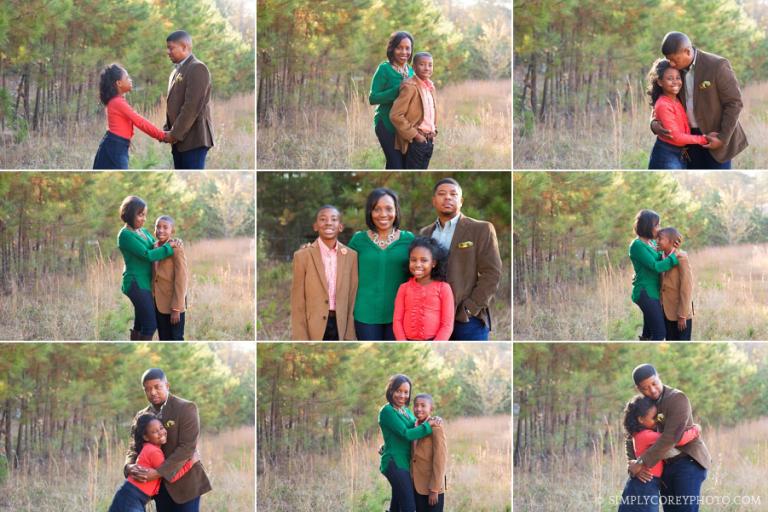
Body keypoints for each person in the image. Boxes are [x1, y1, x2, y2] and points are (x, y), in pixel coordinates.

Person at [650, 31, 748, 169]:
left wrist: (722, 138)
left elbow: (735, 103)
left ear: (687, 51)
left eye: (674, 59)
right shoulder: (675, 69)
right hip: (688, 141)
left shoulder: (717, 65)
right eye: (668, 59)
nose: (671, 63)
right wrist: (653, 122)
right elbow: (660, 95)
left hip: (715, 137)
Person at [419, 178, 501, 341]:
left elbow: (492, 273)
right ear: (434, 201)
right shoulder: (425, 233)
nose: (447, 197)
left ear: (461, 201)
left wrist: (471, 308)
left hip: (467, 320)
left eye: (453, 194)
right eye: (442, 194)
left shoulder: (481, 229)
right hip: (432, 318)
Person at [124, 368, 212, 512]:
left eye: (157, 387)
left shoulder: (186, 408)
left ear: (167, 386)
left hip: (186, 485)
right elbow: (133, 448)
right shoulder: (141, 416)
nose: (152, 392)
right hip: (159, 488)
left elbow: (187, 448)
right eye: (147, 389)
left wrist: (157, 472)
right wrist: (128, 467)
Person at [626, 364, 711, 512]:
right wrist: (633, 464)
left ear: (659, 377)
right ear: (638, 389)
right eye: (645, 388)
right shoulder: (644, 404)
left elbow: (672, 438)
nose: (652, 390)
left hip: (687, 462)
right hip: (664, 467)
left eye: (654, 383)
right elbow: (632, 433)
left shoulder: (677, 399)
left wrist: (641, 461)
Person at [349, 188, 414, 340]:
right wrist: (312, 250)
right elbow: (338, 265)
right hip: (365, 315)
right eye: (377, 209)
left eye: (389, 209)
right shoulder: (358, 240)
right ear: (370, 213)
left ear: (396, 211)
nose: (383, 214)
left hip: (400, 315)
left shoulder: (409, 239)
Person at [618, 394, 701, 512]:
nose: (657, 421)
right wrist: (696, 429)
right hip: (645, 486)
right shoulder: (646, 435)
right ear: (641, 419)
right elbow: (676, 439)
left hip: (643, 484)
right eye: (654, 418)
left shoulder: (637, 434)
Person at [291, 205, 358, 340]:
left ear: (340, 226)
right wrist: (301, 338)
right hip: (313, 327)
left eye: (333, 219)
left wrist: (349, 335)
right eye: (323, 219)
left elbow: (352, 298)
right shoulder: (303, 256)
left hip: (341, 326)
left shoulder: (351, 256)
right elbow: (297, 302)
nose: (328, 223)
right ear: (315, 226)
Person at [118, 196, 180, 340]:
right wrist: (169, 248)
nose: (144, 219)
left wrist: (173, 241)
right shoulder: (125, 235)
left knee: (140, 323)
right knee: (150, 324)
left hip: (147, 282)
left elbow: (157, 245)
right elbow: (148, 255)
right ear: (130, 214)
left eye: (145, 215)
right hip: (136, 283)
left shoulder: (143, 231)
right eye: (140, 215)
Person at [108, 413, 197, 512]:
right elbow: (170, 476)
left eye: (161, 428)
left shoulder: (150, 448)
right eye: (154, 432)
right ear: (146, 437)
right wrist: (191, 462)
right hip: (132, 498)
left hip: (131, 495)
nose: (161, 432)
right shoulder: (153, 451)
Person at [378, 374, 440, 512]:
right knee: (409, 507)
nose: (402, 395)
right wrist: (429, 426)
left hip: (406, 463)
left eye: (406, 392)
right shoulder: (387, 411)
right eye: (398, 391)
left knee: (397, 506)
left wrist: (433, 418)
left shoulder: (405, 411)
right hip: (395, 463)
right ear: (391, 391)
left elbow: (416, 425)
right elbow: (406, 434)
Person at [93, 64, 170, 169]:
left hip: (117, 146)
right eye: (127, 78)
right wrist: (162, 136)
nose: (130, 80)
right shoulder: (117, 102)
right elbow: (139, 122)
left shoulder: (117, 101)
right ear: (119, 83)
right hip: (115, 147)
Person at [628, 209, 684, 341]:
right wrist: (674, 257)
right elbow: (656, 266)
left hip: (654, 291)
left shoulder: (652, 243)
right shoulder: (637, 245)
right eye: (656, 225)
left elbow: (662, 256)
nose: (659, 229)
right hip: (645, 292)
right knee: (660, 333)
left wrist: (672, 246)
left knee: (648, 333)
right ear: (647, 226)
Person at [646, 58, 710, 169]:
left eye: (678, 77)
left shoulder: (677, 98)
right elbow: (676, 137)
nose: (675, 81)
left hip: (681, 153)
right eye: (670, 79)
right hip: (667, 154)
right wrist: (705, 139)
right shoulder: (663, 104)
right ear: (660, 82)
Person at [164, 31, 214, 169]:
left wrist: (174, 134)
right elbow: (174, 103)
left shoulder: (198, 68)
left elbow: (191, 107)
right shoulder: (176, 71)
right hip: (179, 141)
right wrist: (167, 129)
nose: (168, 52)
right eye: (167, 48)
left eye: (171, 48)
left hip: (194, 141)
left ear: (184, 47)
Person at [369, 31, 416, 169]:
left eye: (407, 48)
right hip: (386, 124)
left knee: (404, 164)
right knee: (395, 164)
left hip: (405, 126)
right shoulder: (384, 69)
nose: (404, 52)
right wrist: (398, 89)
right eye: (399, 48)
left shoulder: (412, 71)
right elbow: (373, 98)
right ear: (392, 49)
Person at [393, 237, 454, 341]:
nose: (417, 265)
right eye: (413, 260)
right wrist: (402, 343)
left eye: (424, 260)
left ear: (433, 263)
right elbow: (397, 320)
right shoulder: (403, 288)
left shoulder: (444, 288)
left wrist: (435, 346)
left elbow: (447, 325)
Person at [390, 52, 438, 169]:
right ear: (414, 67)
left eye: (430, 65)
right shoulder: (409, 86)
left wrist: (434, 131)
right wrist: (416, 135)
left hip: (429, 140)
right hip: (415, 141)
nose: (427, 68)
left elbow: (431, 112)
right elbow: (395, 115)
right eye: (422, 64)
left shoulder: (431, 87)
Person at [153, 216, 189, 341]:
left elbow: (182, 278)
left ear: (172, 231)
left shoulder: (176, 248)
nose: (160, 230)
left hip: (173, 304)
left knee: (176, 338)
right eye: (158, 227)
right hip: (158, 303)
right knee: (163, 338)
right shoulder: (153, 247)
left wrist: (176, 308)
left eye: (165, 227)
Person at [412, 393, 447, 512]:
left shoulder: (436, 427)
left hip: (431, 487)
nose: (419, 409)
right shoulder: (414, 426)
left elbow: (440, 459)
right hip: (416, 485)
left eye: (423, 406)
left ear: (430, 408)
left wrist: (434, 489)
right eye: (416, 406)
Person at [656, 227, 694, 340]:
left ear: (671, 242)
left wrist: (682, 314)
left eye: (660, 239)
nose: (657, 241)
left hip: (680, 313)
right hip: (666, 312)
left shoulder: (681, 257)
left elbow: (687, 287)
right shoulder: (660, 257)